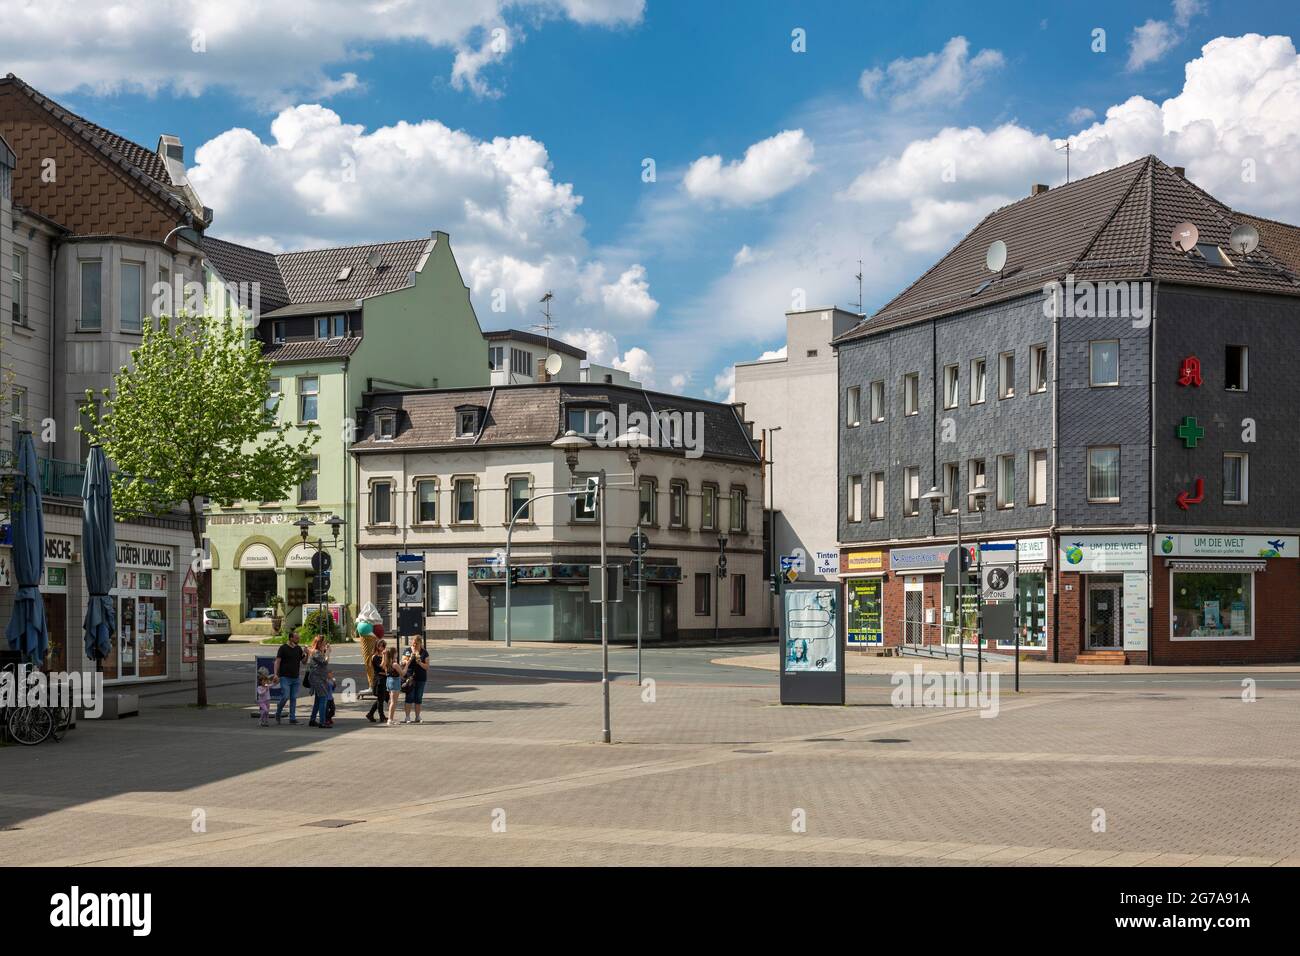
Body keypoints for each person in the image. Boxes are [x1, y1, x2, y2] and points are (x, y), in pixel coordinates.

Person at [273, 629, 307, 725]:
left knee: (293, 698)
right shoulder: (283, 648)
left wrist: (307, 654)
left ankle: (292, 718)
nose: (298, 639)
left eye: (298, 638)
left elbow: (304, 662)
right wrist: (276, 674)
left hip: (295, 677)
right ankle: (278, 712)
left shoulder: (298, 649)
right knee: (285, 696)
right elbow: (277, 661)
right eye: (296, 638)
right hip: (285, 677)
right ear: (291, 638)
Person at [402, 636, 430, 724]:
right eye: (413, 643)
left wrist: (419, 662)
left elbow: (427, 667)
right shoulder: (407, 651)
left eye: (416, 643)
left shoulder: (424, 652)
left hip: (421, 678)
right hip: (410, 677)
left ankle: (417, 716)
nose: (414, 645)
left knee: (418, 698)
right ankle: (407, 717)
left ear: (420, 643)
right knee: (409, 697)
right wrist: (410, 659)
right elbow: (403, 662)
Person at [307, 635, 332, 728]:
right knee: (323, 699)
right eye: (324, 643)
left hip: (319, 678)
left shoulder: (317, 652)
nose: (325, 644)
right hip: (317, 679)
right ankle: (322, 722)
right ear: (319, 643)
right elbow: (325, 662)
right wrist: (328, 652)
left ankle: (312, 720)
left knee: (318, 700)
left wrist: (325, 650)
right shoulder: (316, 652)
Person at [366, 639, 388, 723]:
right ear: (377, 646)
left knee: (381, 699)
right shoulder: (375, 657)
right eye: (381, 646)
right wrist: (384, 656)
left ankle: (370, 714)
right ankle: (381, 716)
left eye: (384, 646)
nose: (383, 648)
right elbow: (382, 666)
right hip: (379, 680)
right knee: (380, 699)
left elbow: (386, 666)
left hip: (384, 679)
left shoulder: (382, 656)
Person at [382, 646, 402, 727]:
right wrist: (408, 663)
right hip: (395, 681)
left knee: (391, 701)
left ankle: (391, 718)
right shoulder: (394, 664)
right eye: (396, 652)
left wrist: (384, 655)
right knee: (394, 702)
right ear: (394, 654)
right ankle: (390, 719)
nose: (397, 653)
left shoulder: (388, 663)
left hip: (389, 681)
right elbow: (403, 673)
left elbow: (383, 666)